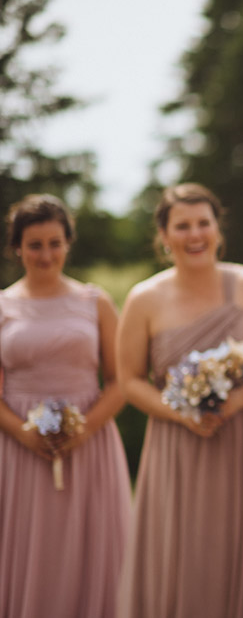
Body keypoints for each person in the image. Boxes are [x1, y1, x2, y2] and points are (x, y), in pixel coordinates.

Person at [116, 183, 243, 618]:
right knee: (186, 554)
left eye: (202, 223)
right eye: (182, 226)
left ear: (217, 228)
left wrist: (242, 398)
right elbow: (128, 380)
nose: (194, 235)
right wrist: (181, 413)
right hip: (179, 445)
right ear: (163, 236)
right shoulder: (144, 299)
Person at [0, 195, 132, 617]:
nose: (45, 254)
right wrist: (23, 432)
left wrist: (85, 429)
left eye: (54, 243)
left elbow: (122, 381)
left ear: (68, 243)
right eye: (34, 244)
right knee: (28, 546)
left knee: (90, 549)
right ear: (17, 247)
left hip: (89, 444)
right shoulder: (1, 306)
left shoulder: (95, 303)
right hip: (19, 449)